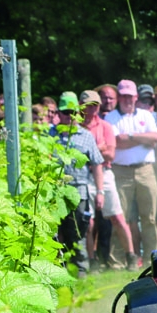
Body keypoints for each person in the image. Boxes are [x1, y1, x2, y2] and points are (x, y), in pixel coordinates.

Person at [79, 89, 138, 271]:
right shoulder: (76, 126)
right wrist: (99, 148)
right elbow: (81, 154)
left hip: (104, 173)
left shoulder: (105, 126)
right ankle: (93, 260)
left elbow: (110, 154)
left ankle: (131, 256)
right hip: (83, 174)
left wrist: (89, 151)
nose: (92, 109)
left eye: (95, 105)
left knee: (117, 217)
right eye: (88, 105)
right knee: (87, 221)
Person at [105, 79, 157, 265]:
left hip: (146, 169)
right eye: (124, 96)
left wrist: (129, 137)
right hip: (121, 171)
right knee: (120, 217)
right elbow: (115, 142)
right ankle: (118, 262)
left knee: (150, 217)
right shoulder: (111, 117)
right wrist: (141, 139)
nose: (127, 99)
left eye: (130, 96)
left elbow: (155, 138)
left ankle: (152, 259)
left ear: (136, 97)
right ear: (119, 97)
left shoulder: (146, 114)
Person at [50, 92, 104, 276]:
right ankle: (59, 273)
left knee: (78, 233)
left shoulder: (86, 136)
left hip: (79, 192)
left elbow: (97, 164)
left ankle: (81, 272)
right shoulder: (49, 135)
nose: (69, 116)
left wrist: (100, 192)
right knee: (55, 234)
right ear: (59, 113)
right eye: (65, 112)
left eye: (73, 112)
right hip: (53, 192)